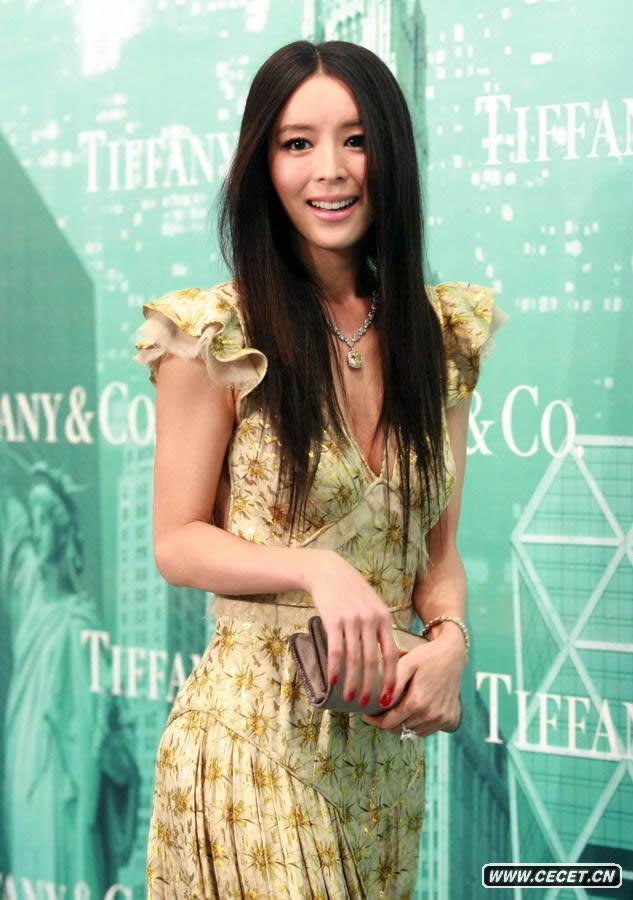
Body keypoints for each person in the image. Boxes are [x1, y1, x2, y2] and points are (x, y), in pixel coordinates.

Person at [133, 39, 508, 899]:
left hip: (383, 762)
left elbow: (436, 554)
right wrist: (314, 568)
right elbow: (177, 541)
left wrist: (450, 642)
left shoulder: (438, 338)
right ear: (262, 165)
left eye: (356, 139)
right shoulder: (213, 334)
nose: (329, 169)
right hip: (250, 742)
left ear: (391, 154)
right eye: (296, 143)